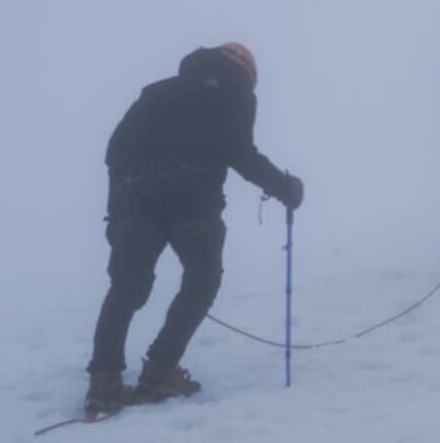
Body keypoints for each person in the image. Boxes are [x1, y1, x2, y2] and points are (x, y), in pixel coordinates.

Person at [87, 43, 304, 415]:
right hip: (193, 197)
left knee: (126, 288)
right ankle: (159, 373)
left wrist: (115, 214)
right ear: (247, 72)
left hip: (136, 197)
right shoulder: (234, 90)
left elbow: (115, 154)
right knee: (201, 282)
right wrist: (284, 186)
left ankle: (104, 383)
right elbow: (238, 151)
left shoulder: (154, 93)